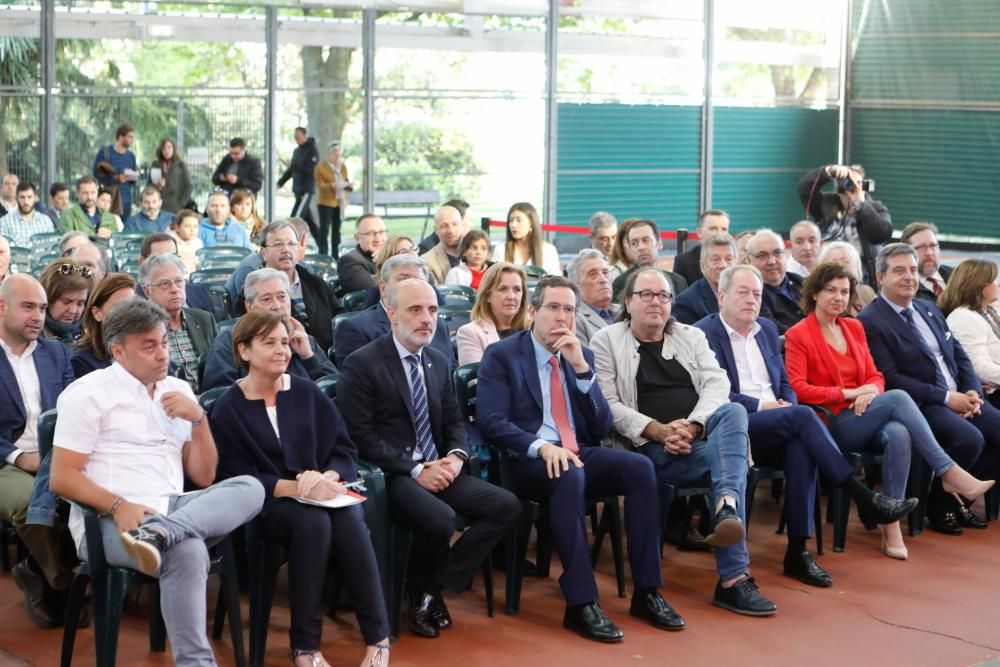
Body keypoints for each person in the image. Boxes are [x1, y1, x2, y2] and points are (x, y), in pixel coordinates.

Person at [49, 298, 265, 667]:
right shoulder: (87, 394)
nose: (162, 353)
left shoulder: (177, 389)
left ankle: (162, 532)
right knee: (189, 550)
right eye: (148, 346)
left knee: (250, 487)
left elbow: (203, 477)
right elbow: (61, 477)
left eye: (164, 341)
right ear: (118, 351)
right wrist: (119, 505)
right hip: (111, 519)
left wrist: (199, 420)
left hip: (173, 507)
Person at [477, 274, 687, 640]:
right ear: (533, 311)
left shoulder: (581, 355)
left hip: (578, 451)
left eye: (569, 310)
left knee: (639, 468)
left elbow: (602, 424)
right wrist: (541, 446)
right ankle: (580, 603)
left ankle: (647, 591)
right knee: (569, 475)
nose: (562, 318)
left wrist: (582, 370)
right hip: (529, 459)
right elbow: (492, 421)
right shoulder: (503, 354)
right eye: (553, 308)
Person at [697, 265, 917, 578]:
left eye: (756, 294)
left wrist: (786, 406)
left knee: (801, 445)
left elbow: (785, 382)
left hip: (780, 422)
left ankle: (797, 551)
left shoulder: (768, 330)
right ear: (721, 296)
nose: (751, 300)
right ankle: (863, 497)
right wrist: (767, 406)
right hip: (735, 427)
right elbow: (716, 394)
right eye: (742, 292)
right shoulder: (703, 334)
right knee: (802, 417)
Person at [338, 279, 520, 639]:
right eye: (415, 310)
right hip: (391, 475)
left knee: (506, 506)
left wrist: (454, 458)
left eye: (433, 310)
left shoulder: (437, 359)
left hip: (438, 467)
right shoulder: (362, 363)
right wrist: (416, 469)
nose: (427, 319)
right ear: (391, 313)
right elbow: (361, 438)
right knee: (441, 519)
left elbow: (453, 421)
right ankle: (424, 592)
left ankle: (427, 589)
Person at [590, 268, 776, 617]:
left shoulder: (690, 336)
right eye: (646, 294)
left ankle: (725, 510)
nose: (656, 302)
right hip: (643, 447)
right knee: (731, 468)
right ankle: (733, 578)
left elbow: (716, 384)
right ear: (628, 302)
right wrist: (656, 430)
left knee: (734, 410)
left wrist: (692, 426)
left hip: (697, 439)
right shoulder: (607, 340)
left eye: (663, 295)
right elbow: (608, 404)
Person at [209, 311, 390, 667]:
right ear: (244, 351)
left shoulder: (306, 392)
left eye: (284, 342)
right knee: (313, 524)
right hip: (267, 504)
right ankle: (305, 646)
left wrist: (331, 478)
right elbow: (234, 476)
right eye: (269, 343)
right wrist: (294, 486)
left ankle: (378, 637)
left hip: (322, 492)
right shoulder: (228, 407)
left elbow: (343, 449)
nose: (282, 350)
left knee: (351, 518)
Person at [786, 261, 994, 556]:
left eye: (845, 291)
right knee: (898, 397)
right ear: (815, 293)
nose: (838, 297)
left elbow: (876, 376)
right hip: (829, 422)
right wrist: (851, 392)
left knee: (898, 432)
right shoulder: (799, 334)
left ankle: (891, 521)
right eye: (830, 290)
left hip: (866, 413)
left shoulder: (854, 327)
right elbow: (798, 388)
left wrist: (869, 392)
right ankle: (948, 471)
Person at [858, 244, 1000, 535]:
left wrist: (973, 392)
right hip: (921, 404)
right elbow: (892, 378)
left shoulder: (928, 308)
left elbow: (959, 356)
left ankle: (947, 496)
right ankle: (941, 507)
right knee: (970, 439)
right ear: (880, 277)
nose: (909, 276)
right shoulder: (870, 321)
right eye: (899, 270)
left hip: (961, 396)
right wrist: (949, 399)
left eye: (912, 269)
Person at [0, 274, 78, 628]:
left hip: (55, 454)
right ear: (2, 307)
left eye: (43, 308)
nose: (38, 316)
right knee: (32, 502)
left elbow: (74, 411)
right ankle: (62, 583)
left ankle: (35, 569)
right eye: (28, 307)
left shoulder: (55, 352)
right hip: (5, 460)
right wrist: (19, 457)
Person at [202, 268, 336, 391]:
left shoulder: (303, 338)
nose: (277, 306)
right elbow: (219, 394)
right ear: (249, 306)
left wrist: (309, 357)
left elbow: (334, 388)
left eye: (282, 297)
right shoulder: (230, 340)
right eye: (267, 299)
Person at [236, 221, 344, 353]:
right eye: (278, 244)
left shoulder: (317, 283)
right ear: (264, 253)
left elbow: (340, 318)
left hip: (323, 356)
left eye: (291, 244)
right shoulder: (253, 290)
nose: (286, 250)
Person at [335, 255, 454, 369]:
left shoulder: (438, 325)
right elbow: (358, 383)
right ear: (382, 287)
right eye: (404, 280)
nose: (412, 287)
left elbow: (451, 373)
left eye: (418, 281)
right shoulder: (356, 329)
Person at [798, 163, 892, 285]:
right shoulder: (827, 205)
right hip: (827, 279)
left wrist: (861, 205)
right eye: (848, 184)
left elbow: (881, 235)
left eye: (858, 184)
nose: (852, 190)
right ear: (838, 189)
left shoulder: (876, 209)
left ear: (864, 186)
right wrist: (827, 172)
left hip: (863, 281)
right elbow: (804, 189)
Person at [140, 254, 217, 393]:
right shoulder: (141, 329)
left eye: (179, 281)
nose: (175, 289)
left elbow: (219, 368)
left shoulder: (204, 319)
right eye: (165, 284)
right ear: (147, 291)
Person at [940, 259, 1000, 408]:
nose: (998, 283)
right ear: (978, 285)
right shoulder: (963, 318)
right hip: (990, 396)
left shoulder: (988, 310)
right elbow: (978, 368)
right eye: (993, 279)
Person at [456, 262, 528, 366]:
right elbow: (476, 381)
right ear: (487, 295)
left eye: (517, 290)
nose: (511, 296)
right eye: (503, 289)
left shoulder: (533, 330)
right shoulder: (470, 333)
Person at [71, 272, 136, 378]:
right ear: (97, 313)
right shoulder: (82, 361)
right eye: (120, 307)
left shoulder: (143, 350)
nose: (128, 314)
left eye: (133, 307)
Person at [136, 233, 216, 318]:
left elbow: (214, 328)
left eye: (172, 257)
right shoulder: (133, 303)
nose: (168, 262)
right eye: (159, 258)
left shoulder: (197, 291)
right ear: (143, 261)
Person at [610, 219, 687, 301]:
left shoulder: (678, 282)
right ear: (631, 249)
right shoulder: (621, 284)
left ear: (659, 244)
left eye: (646, 240)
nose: (641, 247)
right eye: (634, 243)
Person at [672, 235, 739, 326]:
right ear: (702, 266)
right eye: (716, 259)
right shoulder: (686, 303)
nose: (723, 265)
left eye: (729, 259)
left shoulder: (748, 293)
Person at [746, 229, 804, 334]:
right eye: (763, 256)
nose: (772, 262)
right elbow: (772, 329)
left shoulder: (801, 282)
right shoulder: (750, 294)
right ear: (749, 260)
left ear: (786, 255)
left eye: (777, 253)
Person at [566, 249, 618, 347]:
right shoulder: (575, 320)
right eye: (593, 274)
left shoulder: (626, 311)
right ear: (576, 285)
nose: (603, 279)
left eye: (605, 272)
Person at [492, 202, 560, 276]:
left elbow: (556, 280)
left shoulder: (548, 250)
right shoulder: (501, 249)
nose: (513, 225)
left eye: (519, 220)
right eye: (511, 220)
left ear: (531, 223)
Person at [38, 259, 94, 347]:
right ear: (48, 298)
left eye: (80, 304)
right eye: (66, 302)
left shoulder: (92, 336)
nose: (73, 311)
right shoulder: (31, 338)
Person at [277, 126, 320, 238]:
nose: (296, 138)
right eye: (295, 136)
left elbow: (311, 171)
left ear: (305, 135)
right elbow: (291, 170)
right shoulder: (297, 151)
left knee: (295, 218)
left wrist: (294, 166)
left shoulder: (312, 151)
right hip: (298, 190)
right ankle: (322, 244)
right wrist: (279, 183)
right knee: (309, 219)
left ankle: (290, 241)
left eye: (298, 136)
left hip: (306, 190)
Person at [313, 141, 352, 257]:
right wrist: (332, 185)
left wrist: (348, 185)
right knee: (324, 230)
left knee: (337, 231)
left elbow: (345, 181)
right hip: (325, 203)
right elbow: (320, 186)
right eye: (335, 155)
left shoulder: (343, 167)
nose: (338, 157)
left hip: (339, 203)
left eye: (339, 155)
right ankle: (323, 254)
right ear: (330, 155)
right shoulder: (321, 167)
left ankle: (336, 255)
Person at [672, 210, 731, 286]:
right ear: (699, 232)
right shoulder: (683, 262)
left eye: (724, 229)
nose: (719, 233)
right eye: (713, 229)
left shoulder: (735, 259)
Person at [92, 123, 138, 219]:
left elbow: (134, 180)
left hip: (126, 200)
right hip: (109, 200)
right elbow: (96, 174)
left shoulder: (131, 156)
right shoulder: (105, 153)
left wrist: (132, 177)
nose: (132, 140)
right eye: (129, 137)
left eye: (132, 137)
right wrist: (116, 178)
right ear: (121, 137)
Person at [818, 241, 876, 316]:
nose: (840, 266)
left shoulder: (866, 292)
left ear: (856, 265)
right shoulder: (818, 295)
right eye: (834, 263)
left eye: (845, 262)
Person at [900, 221, 952, 303]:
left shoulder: (957, 276)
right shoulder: (905, 289)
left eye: (933, 246)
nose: (929, 253)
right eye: (921, 247)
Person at [337, 214, 387, 294]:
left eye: (381, 232)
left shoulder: (391, 256)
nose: (378, 238)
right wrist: (385, 261)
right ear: (357, 237)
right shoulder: (349, 261)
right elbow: (378, 292)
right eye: (370, 233)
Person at [422, 205, 466, 284]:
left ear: (462, 225)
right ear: (436, 230)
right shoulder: (427, 262)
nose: (451, 231)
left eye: (455, 224)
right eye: (444, 226)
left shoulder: (479, 252)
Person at [0, 182, 54, 247]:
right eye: (22, 197)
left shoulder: (46, 221)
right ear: (17, 198)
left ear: (35, 198)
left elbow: (51, 247)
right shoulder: (5, 222)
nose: (26, 201)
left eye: (29, 197)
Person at [149, 137, 192, 214]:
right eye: (164, 148)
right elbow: (148, 186)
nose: (166, 150)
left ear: (173, 149)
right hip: (159, 207)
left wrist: (181, 203)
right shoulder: (155, 165)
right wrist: (157, 185)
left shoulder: (180, 165)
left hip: (176, 207)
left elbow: (189, 186)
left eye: (169, 147)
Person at [166, 209, 203, 277]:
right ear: (177, 227)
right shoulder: (169, 242)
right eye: (187, 226)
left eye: (195, 226)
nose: (192, 230)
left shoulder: (198, 242)